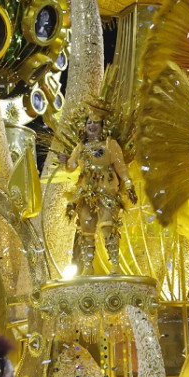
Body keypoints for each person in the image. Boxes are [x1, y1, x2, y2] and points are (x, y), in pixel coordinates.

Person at [56, 102, 135, 276]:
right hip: (85, 191)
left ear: (102, 127)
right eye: (89, 123)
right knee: (86, 228)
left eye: (95, 123)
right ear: (84, 126)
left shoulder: (110, 144)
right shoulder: (81, 146)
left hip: (107, 189)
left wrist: (128, 184)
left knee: (108, 225)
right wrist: (64, 161)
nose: (91, 126)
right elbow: (72, 166)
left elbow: (121, 167)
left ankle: (115, 265)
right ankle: (87, 267)